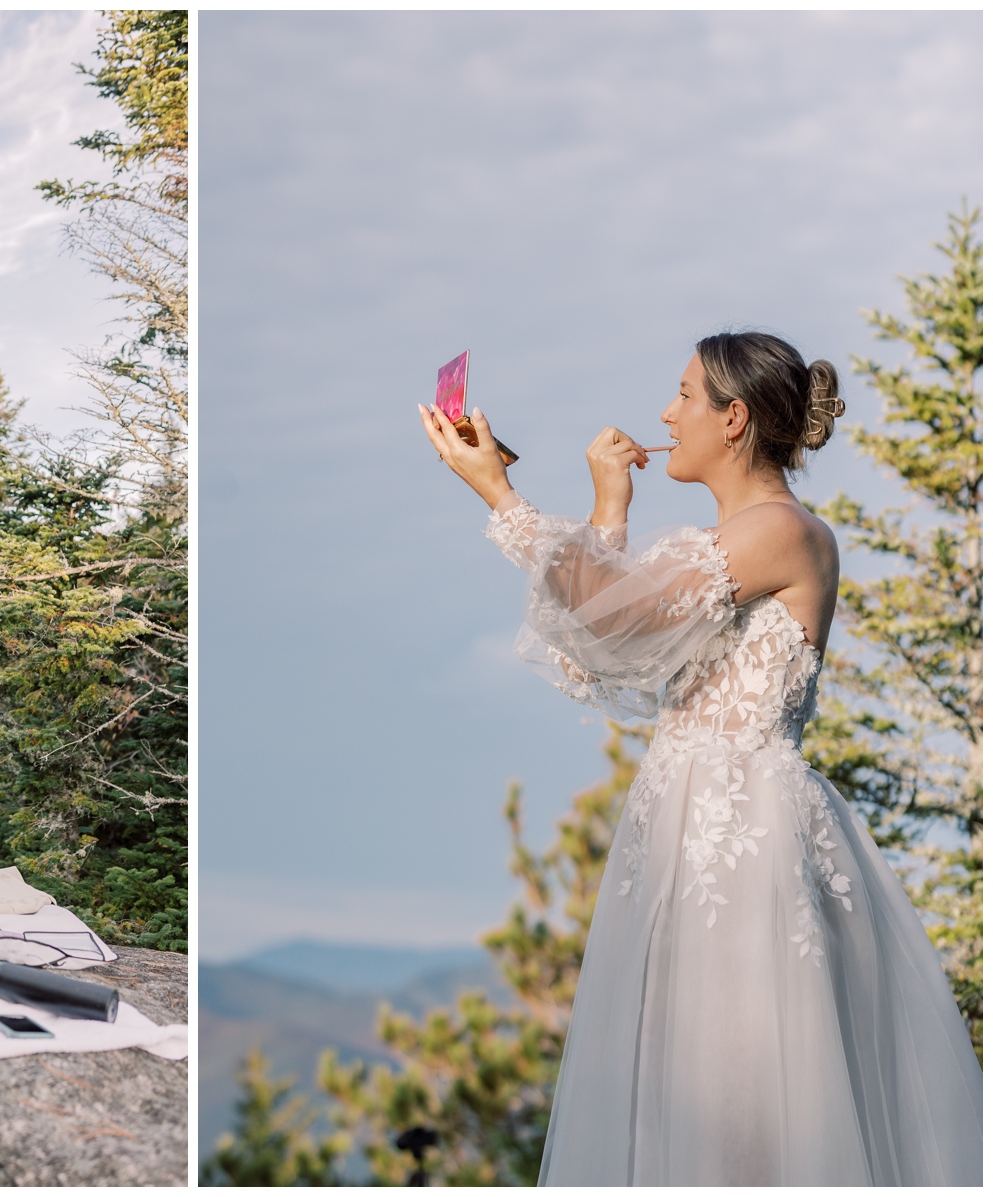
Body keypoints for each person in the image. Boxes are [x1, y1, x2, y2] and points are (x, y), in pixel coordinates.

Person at [419, 331, 981, 1186]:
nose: (664, 415)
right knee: (685, 1097)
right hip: (682, 836)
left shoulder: (784, 532)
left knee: (742, 1103)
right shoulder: (724, 548)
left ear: (734, 419)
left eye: (683, 396)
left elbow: (610, 616)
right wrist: (608, 510)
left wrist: (499, 490)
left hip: (746, 845)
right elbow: (594, 649)